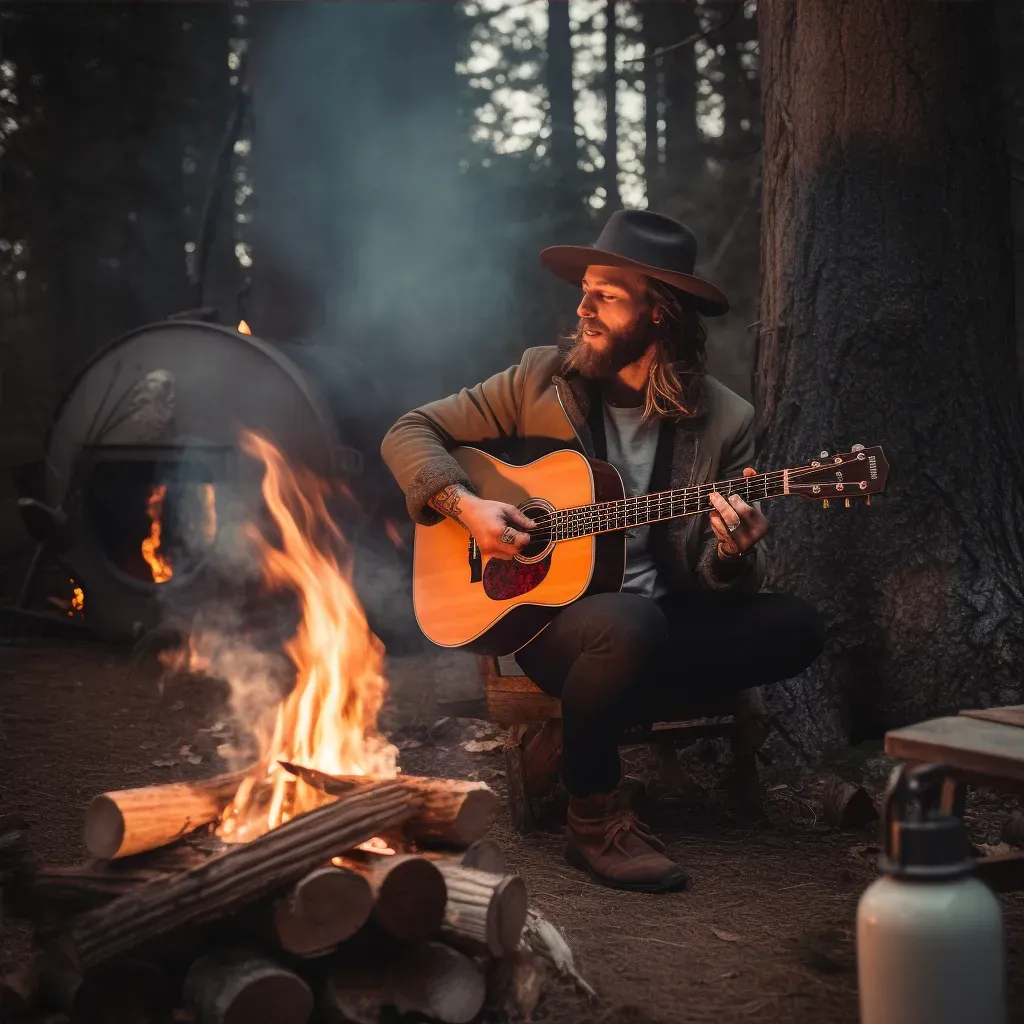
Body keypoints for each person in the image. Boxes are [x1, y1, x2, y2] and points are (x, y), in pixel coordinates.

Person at [381, 210, 825, 893]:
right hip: (555, 623)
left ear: (660, 316)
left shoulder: (725, 419)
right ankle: (593, 817)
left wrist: (732, 557)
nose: (582, 307)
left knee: (797, 627)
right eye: (584, 290)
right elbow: (410, 431)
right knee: (626, 624)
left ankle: (585, 725)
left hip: (664, 620)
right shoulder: (538, 380)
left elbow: (716, 575)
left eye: (606, 294)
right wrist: (467, 509)